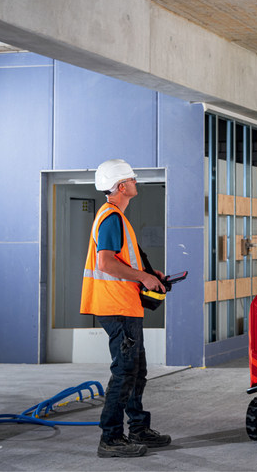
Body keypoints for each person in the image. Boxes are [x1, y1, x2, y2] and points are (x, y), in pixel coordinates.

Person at [80, 159, 171, 458]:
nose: (136, 182)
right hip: (116, 306)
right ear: (121, 186)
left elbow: (121, 260)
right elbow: (106, 262)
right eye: (132, 178)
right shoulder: (111, 217)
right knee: (124, 372)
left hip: (126, 305)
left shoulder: (117, 216)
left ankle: (138, 428)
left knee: (136, 370)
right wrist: (142, 276)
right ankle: (111, 438)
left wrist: (149, 272)